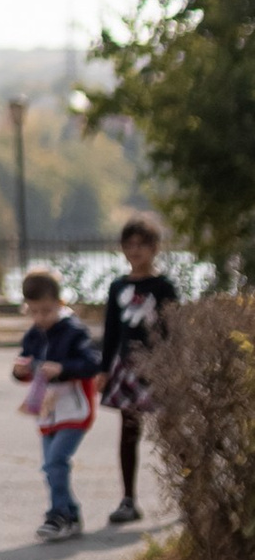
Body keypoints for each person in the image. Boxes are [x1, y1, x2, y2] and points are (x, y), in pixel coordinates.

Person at [98, 215, 179, 527]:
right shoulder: (118, 286)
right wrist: (104, 369)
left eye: (142, 244)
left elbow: (173, 327)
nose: (135, 250)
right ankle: (128, 499)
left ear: (155, 248)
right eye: (129, 244)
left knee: (171, 431)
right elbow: (111, 331)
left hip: (157, 365)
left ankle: (189, 496)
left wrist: (172, 366)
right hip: (125, 368)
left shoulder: (163, 286)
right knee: (128, 432)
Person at [15, 265, 100, 539]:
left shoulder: (73, 331)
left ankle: (58, 514)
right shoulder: (33, 335)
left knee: (56, 461)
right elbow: (26, 365)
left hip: (74, 408)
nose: (41, 318)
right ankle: (71, 513)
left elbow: (90, 364)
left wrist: (62, 368)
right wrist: (20, 371)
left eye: (46, 311)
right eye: (34, 311)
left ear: (60, 304)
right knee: (51, 465)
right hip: (47, 410)